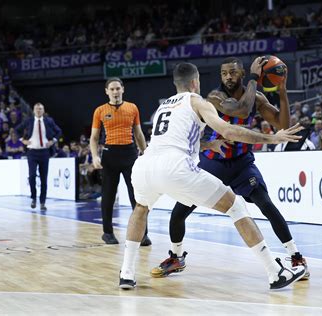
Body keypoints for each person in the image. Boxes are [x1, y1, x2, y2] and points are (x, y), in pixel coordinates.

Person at [119, 61, 306, 290]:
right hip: (176, 167)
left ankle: (127, 273)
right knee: (235, 206)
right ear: (195, 82)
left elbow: (174, 138)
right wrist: (272, 139)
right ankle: (275, 273)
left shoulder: (163, 107)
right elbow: (228, 130)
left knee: (140, 209)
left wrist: (208, 142)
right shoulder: (199, 100)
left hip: (145, 166)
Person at [90, 77, 150, 246]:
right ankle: (107, 233)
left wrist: (145, 153)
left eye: (118, 88)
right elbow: (94, 138)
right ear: (106, 91)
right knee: (108, 196)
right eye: (112, 89)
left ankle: (143, 234)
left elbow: (138, 134)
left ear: (123, 89)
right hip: (109, 155)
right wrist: (95, 156)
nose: (115, 92)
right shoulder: (100, 111)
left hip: (130, 154)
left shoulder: (132, 108)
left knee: (137, 196)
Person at [15, 103, 62, 211]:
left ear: (43, 110)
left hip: (44, 152)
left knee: (44, 178)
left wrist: (53, 141)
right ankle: (33, 198)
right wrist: (23, 140)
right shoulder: (29, 120)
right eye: (36, 109)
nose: (38, 111)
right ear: (33, 110)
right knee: (32, 176)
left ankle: (42, 202)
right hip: (32, 152)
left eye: (40, 109)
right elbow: (17, 130)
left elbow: (59, 131)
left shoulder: (49, 121)